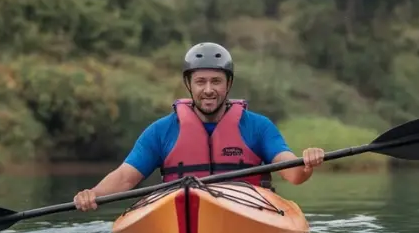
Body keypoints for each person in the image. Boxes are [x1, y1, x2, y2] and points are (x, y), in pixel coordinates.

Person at [73, 41, 326, 212]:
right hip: (180, 211)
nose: (208, 90)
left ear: (228, 85)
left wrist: (306, 164)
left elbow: (292, 173)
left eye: (216, 81)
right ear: (189, 85)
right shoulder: (161, 131)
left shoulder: (258, 126)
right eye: (200, 81)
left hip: (249, 210)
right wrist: (92, 194)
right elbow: (125, 178)